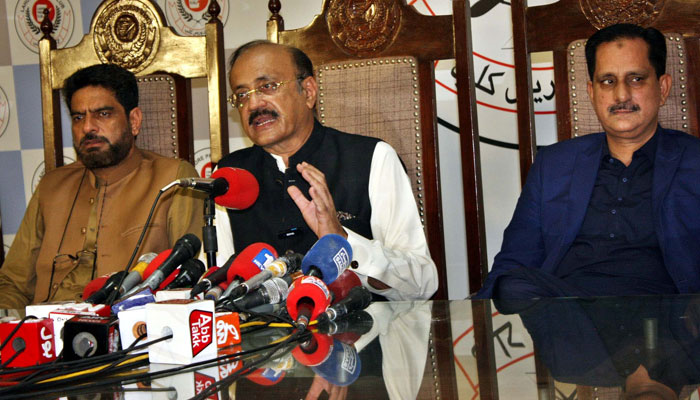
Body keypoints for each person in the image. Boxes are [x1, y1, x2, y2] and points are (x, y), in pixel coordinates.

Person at [476, 23, 700, 299]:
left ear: (663, 88)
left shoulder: (694, 161)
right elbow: (515, 259)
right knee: (512, 284)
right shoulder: (554, 165)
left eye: (636, 79)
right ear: (592, 92)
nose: (621, 96)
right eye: (608, 81)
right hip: (569, 313)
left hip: (662, 319)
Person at [213, 40, 437, 300]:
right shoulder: (230, 175)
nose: (252, 104)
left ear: (308, 92)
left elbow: (421, 284)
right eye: (242, 95)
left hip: (363, 335)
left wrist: (342, 239)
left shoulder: (372, 158)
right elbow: (218, 281)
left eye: (267, 86)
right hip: (259, 336)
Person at [0, 64, 203, 308]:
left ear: (134, 120)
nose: (87, 127)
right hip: (44, 334)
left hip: (130, 335)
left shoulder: (174, 180)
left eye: (103, 114)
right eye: (78, 117)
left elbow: (187, 283)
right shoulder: (51, 186)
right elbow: (12, 283)